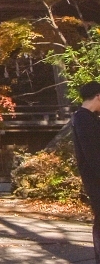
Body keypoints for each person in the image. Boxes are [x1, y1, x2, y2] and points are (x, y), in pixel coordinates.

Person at [72, 80, 100, 264]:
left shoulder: (87, 118)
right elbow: (92, 153)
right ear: (98, 96)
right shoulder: (83, 119)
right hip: (95, 178)